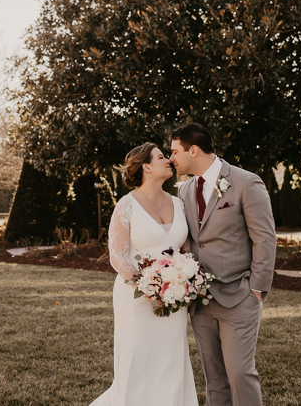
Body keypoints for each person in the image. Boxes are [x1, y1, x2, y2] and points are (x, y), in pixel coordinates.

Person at [169, 123, 276, 406]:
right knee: (214, 380)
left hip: (239, 295)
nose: (171, 159)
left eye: (174, 151)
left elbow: (264, 239)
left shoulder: (246, 182)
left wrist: (256, 289)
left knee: (240, 374)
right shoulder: (184, 190)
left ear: (193, 150)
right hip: (200, 302)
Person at [90, 142, 199, 406]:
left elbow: (185, 250)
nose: (169, 161)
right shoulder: (126, 206)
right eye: (162, 157)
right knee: (139, 359)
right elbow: (117, 256)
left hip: (174, 298)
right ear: (147, 167)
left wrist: (181, 280)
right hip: (137, 297)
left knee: (171, 359)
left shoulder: (179, 203)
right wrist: (149, 285)